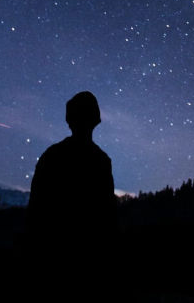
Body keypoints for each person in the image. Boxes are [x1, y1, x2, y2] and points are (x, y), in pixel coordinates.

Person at [27, 91, 118, 277]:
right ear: (95, 120)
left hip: (52, 255)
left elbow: (36, 209)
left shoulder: (52, 155)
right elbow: (107, 215)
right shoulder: (101, 161)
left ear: (70, 120)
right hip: (89, 258)